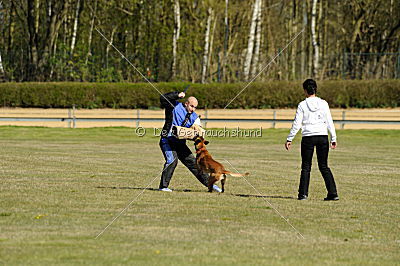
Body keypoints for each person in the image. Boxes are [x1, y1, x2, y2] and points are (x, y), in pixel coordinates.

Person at [285, 79, 339, 201]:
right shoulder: (324, 103)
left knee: (306, 166)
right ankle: (333, 193)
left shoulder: (302, 105)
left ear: (305, 90)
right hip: (322, 136)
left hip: (308, 137)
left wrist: (290, 138)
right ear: (316, 89)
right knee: (324, 166)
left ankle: (303, 194)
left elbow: (297, 124)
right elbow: (329, 121)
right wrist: (333, 137)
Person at [158, 90, 222, 192]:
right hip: (167, 140)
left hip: (180, 144)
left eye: (195, 107)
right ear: (186, 103)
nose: (193, 109)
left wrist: (199, 132)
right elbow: (163, 98)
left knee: (194, 164)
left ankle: (211, 185)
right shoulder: (174, 106)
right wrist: (177, 95)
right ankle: (163, 187)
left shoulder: (194, 117)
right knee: (172, 161)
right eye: (191, 106)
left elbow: (198, 129)